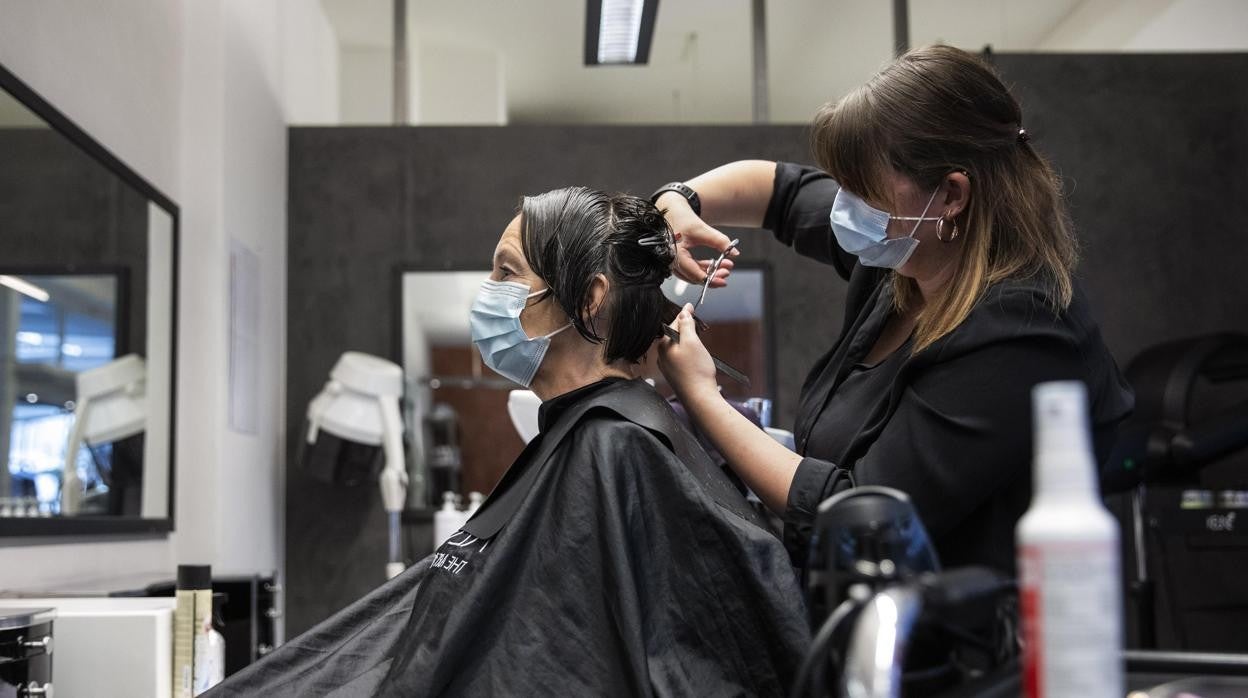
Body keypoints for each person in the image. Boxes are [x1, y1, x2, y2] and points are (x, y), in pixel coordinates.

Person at [208, 187, 809, 697]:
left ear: (590, 299)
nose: (488, 290)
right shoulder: (592, 435)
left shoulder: (617, 449)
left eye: (507, 271)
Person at [656, 45, 1135, 575]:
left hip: (957, 619)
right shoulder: (904, 252)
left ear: (951, 195)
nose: (844, 205)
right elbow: (781, 192)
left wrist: (703, 396)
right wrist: (676, 203)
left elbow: (861, 516)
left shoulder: (1021, 333)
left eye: (864, 189)